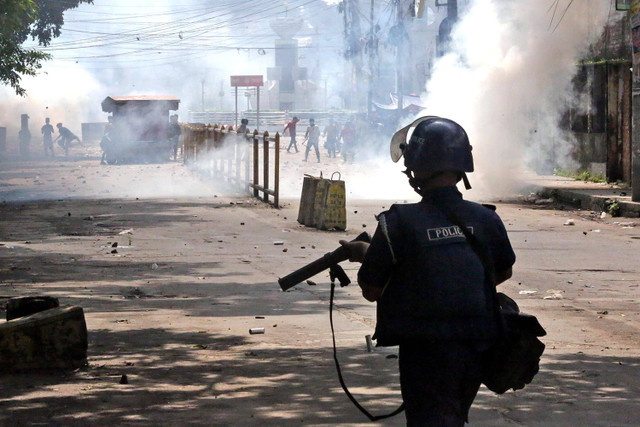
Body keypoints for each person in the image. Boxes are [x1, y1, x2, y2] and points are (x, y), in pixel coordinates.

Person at [338, 116, 516, 426]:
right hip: (477, 346)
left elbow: (372, 290)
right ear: (462, 166)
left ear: (415, 167)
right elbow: (500, 273)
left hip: (425, 351)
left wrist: (367, 256)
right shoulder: (486, 219)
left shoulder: (396, 223)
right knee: (454, 417)